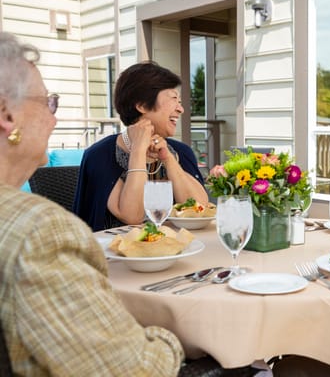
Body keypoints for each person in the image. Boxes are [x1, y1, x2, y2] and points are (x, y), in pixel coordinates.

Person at [0, 32, 186, 375]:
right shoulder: (38, 232)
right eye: (47, 103)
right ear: (6, 115)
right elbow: (137, 369)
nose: (54, 118)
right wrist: (178, 336)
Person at [73, 61, 209, 231]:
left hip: (173, 249)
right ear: (142, 105)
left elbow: (200, 209)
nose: (181, 109)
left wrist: (168, 160)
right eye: (174, 99)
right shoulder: (101, 155)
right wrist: (138, 150)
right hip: (116, 253)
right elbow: (132, 216)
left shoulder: (181, 152)